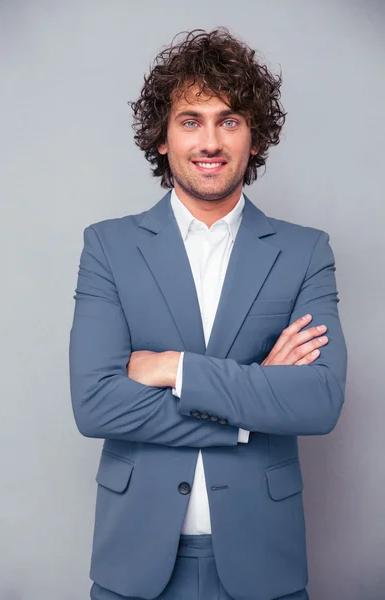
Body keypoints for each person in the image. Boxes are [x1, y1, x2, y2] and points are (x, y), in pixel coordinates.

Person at [69, 27, 347, 600]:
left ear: (254, 138)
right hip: (135, 564)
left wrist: (175, 368)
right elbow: (94, 404)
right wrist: (256, 400)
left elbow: (319, 400)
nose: (210, 140)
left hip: (263, 561)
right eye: (190, 120)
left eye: (230, 119)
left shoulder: (305, 251)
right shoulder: (109, 247)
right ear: (163, 139)